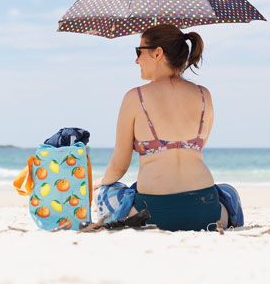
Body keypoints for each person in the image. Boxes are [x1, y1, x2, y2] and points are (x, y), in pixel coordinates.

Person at [94, 25, 238, 231]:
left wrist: (100, 182)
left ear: (158, 53)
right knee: (228, 191)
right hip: (207, 212)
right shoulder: (204, 95)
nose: (136, 60)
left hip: (153, 213)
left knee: (104, 192)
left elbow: (119, 167)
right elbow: (197, 149)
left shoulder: (135, 97)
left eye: (139, 51)